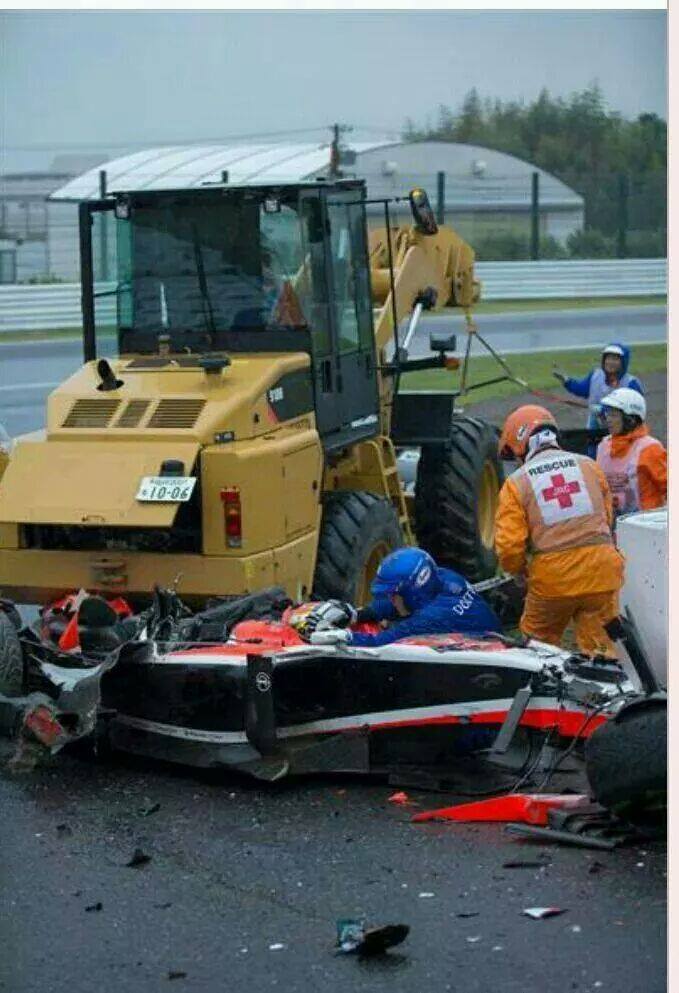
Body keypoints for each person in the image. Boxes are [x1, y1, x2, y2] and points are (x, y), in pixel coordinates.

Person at [494, 404, 624, 657]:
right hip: (603, 571)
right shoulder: (589, 466)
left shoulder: (516, 482)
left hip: (553, 580)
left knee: (539, 652)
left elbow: (510, 547)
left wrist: (518, 571)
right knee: (603, 650)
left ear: (522, 443)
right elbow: (607, 520)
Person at [294, 547, 501, 648]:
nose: (391, 601)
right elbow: (398, 606)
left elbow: (379, 644)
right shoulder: (444, 577)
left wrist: (341, 637)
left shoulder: (430, 618)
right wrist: (357, 614)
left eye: (395, 595)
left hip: (484, 663)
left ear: (413, 593)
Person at [553, 343, 644, 455]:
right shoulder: (595, 375)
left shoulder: (631, 383)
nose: (610, 362)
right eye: (608, 358)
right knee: (593, 451)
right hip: (596, 423)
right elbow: (583, 390)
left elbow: (636, 411)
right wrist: (567, 381)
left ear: (623, 362)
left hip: (622, 428)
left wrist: (604, 409)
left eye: (615, 359)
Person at [596, 387, 667, 516]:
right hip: (615, 526)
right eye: (607, 413)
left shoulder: (650, 448)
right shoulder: (603, 446)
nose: (608, 419)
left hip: (647, 527)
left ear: (631, 419)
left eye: (614, 414)